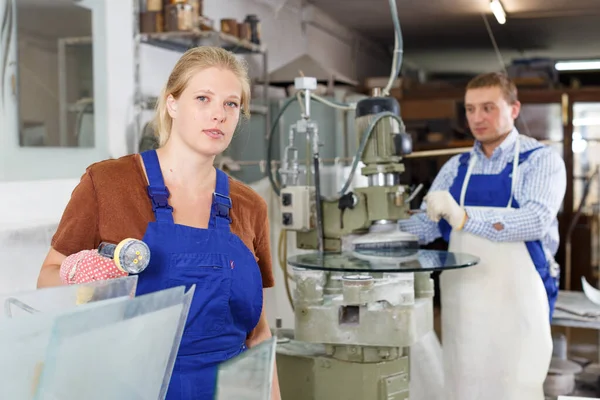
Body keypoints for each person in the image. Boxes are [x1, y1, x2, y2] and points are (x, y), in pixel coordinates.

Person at [37, 46, 281, 400]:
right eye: (203, 98)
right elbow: (48, 274)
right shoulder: (108, 183)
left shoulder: (250, 206)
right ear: (172, 104)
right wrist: (84, 280)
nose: (219, 114)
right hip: (132, 386)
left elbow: (257, 334)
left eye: (231, 104)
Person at [398, 72, 566, 400]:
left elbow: (534, 221)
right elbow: (429, 225)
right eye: (470, 109)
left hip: (518, 297)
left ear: (514, 109)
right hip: (465, 298)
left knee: (515, 381)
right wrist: (379, 230)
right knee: (464, 380)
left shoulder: (540, 161)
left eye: (488, 108)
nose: (477, 118)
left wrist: (464, 216)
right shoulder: (456, 167)